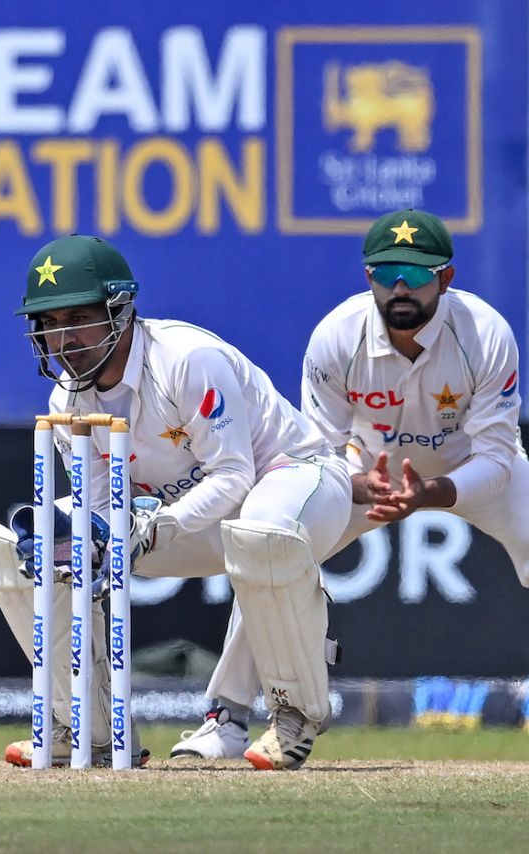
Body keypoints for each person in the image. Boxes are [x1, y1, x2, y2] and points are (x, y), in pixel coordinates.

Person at [0, 234, 352, 770]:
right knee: (33, 544)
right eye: (48, 322)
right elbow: (94, 506)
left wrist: (153, 527)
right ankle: (88, 724)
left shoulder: (186, 360)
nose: (62, 338)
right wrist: (91, 534)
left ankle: (295, 715)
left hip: (296, 480)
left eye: (77, 317)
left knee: (260, 532)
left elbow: (233, 475)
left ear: (120, 310)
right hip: (183, 521)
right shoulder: (67, 400)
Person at [171, 207, 528, 759]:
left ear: (446, 278)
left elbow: (498, 459)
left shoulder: (485, 334)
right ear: (368, 278)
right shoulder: (337, 337)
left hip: (472, 471)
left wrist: (430, 493)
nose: (400, 287)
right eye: (387, 274)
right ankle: (227, 718)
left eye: (416, 273)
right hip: (367, 476)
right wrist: (357, 482)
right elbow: (317, 451)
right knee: (271, 549)